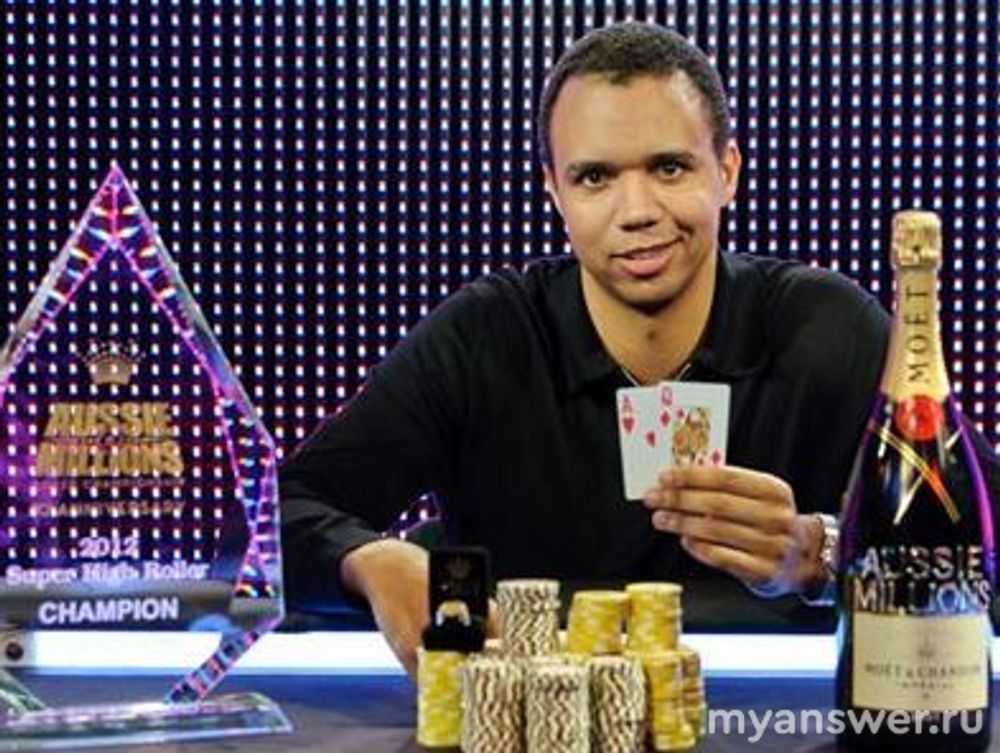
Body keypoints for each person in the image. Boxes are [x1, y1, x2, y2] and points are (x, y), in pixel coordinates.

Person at [279, 22, 995, 677]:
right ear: (554, 191)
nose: (638, 211)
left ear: (727, 171)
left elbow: (986, 544)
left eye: (670, 168)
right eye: (595, 177)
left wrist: (825, 553)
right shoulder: (484, 336)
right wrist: (368, 560)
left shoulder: (827, 329)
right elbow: (277, 517)